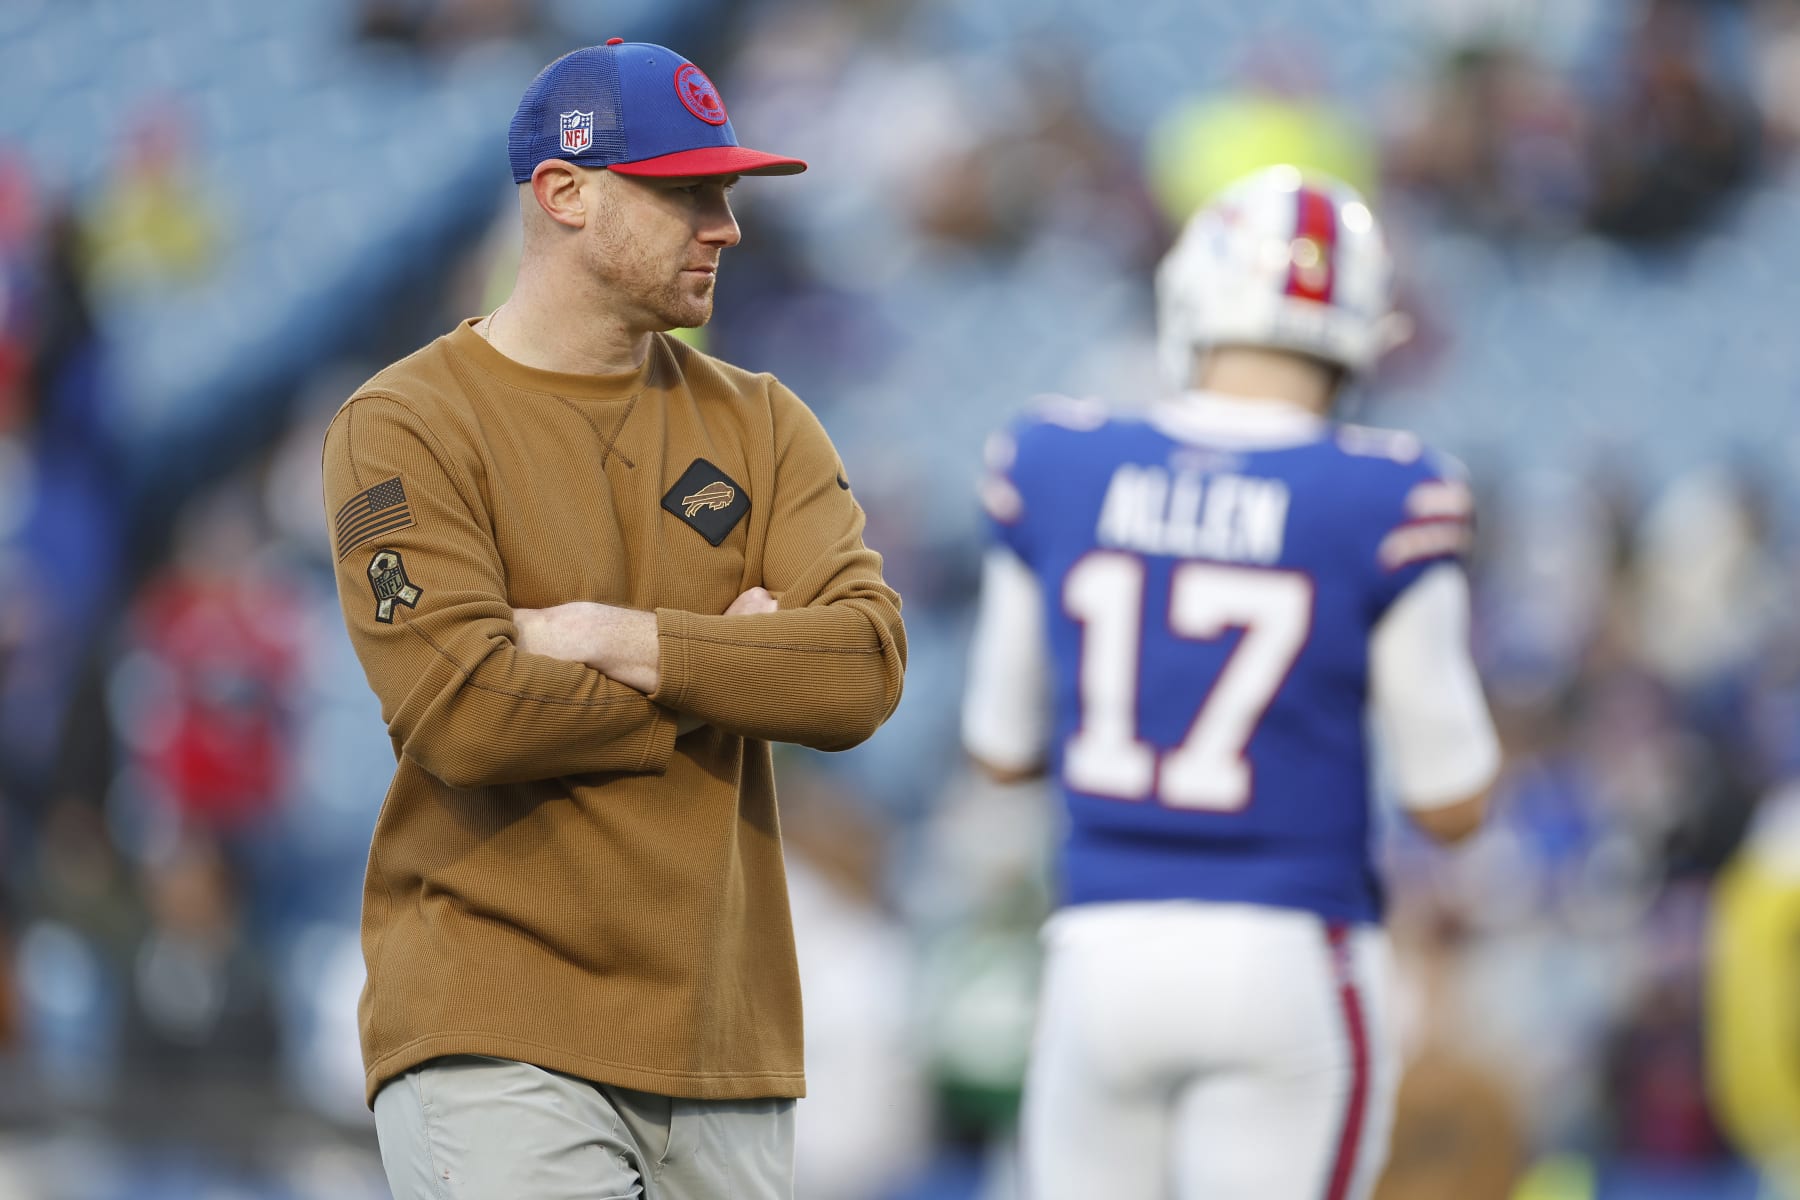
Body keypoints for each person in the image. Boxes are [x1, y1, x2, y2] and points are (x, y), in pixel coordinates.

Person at [320, 40, 906, 1200]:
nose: (725, 223)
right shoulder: (403, 425)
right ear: (565, 193)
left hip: (726, 1046)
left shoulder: (764, 419)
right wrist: (726, 664)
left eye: (726, 190)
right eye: (686, 189)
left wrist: (617, 637)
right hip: (498, 1023)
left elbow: (860, 672)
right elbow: (467, 713)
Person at [960, 165, 1501, 1199]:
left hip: (1099, 947)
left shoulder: (1055, 458)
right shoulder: (1386, 491)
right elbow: (1450, 799)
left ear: (1189, 300)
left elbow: (998, 748)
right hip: (1287, 950)